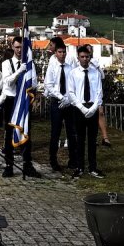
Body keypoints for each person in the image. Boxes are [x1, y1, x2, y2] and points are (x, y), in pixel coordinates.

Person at [0, 34, 40, 178]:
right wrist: (19, 71)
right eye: (17, 47)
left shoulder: (30, 64)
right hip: (11, 101)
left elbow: (34, 83)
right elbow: (8, 82)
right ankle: (9, 165)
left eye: (22, 48)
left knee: (26, 131)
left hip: (23, 100)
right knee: (9, 133)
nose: (19, 51)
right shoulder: (6, 63)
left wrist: (27, 77)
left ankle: (27, 165)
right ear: (12, 47)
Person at [62, 44, 103, 178]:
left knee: (92, 140)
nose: (85, 59)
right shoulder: (73, 73)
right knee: (80, 139)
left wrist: (93, 108)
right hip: (79, 108)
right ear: (78, 58)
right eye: (82, 57)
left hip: (92, 106)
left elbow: (99, 93)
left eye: (87, 57)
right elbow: (71, 93)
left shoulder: (95, 73)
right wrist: (81, 107)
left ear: (90, 57)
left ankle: (93, 167)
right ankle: (79, 167)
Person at [41, 41, 70, 172]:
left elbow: (73, 84)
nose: (62, 54)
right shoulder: (52, 67)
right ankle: (53, 160)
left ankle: (73, 160)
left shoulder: (70, 67)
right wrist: (60, 97)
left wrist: (68, 98)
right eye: (60, 52)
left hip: (69, 102)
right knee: (55, 132)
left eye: (64, 52)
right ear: (56, 53)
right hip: (56, 101)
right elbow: (49, 85)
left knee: (71, 132)